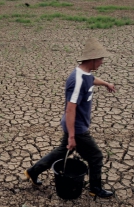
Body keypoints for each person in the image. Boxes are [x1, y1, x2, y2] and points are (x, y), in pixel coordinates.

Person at [24, 38, 116, 198]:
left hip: (76, 126)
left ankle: (32, 172)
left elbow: (92, 80)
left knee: (61, 152)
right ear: (93, 59)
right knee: (96, 156)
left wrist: (106, 83)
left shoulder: (86, 74)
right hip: (77, 128)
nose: (102, 62)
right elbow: (70, 110)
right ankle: (95, 188)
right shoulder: (77, 80)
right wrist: (73, 136)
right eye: (101, 59)